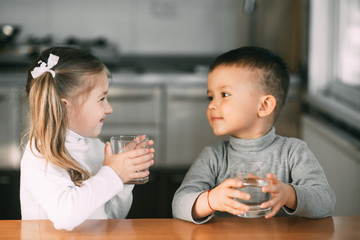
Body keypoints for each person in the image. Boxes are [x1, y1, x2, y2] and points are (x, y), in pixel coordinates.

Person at [172, 46, 335, 223]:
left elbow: (326, 201)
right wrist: (211, 200)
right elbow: (178, 204)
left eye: (224, 94)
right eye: (211, 97)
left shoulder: (293, 152)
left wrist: (289, 194)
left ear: (264, 106)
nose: (212, 105)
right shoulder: (213, 157)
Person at [20, 46, 155, 230]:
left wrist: (125, 179)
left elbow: (111, 218)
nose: (109, 109)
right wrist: (113, 174)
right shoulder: (41, 154)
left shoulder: (94, 146)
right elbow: (66, 216)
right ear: (66, 105)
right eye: (101, 99)